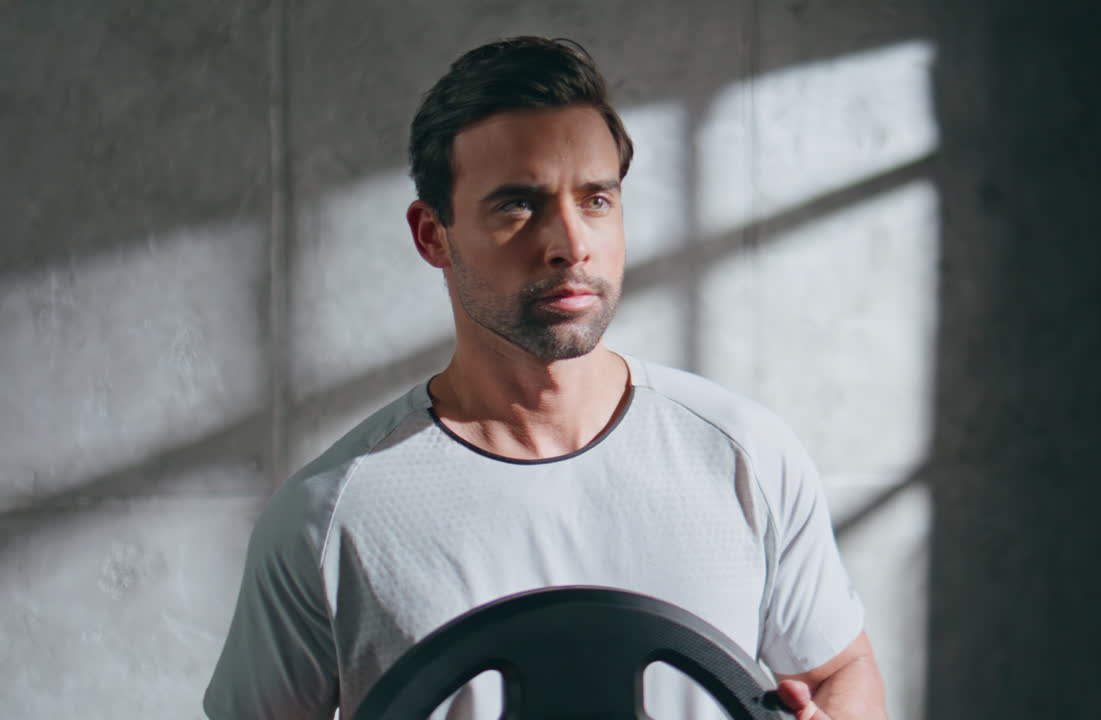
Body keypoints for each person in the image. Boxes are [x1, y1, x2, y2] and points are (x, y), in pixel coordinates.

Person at [204, 37, 886, 720]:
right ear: (432, 235)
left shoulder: (745, 456)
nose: (571, 244)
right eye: (518, 204)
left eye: (596, 200)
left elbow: (839, 670)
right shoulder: (332, 517)